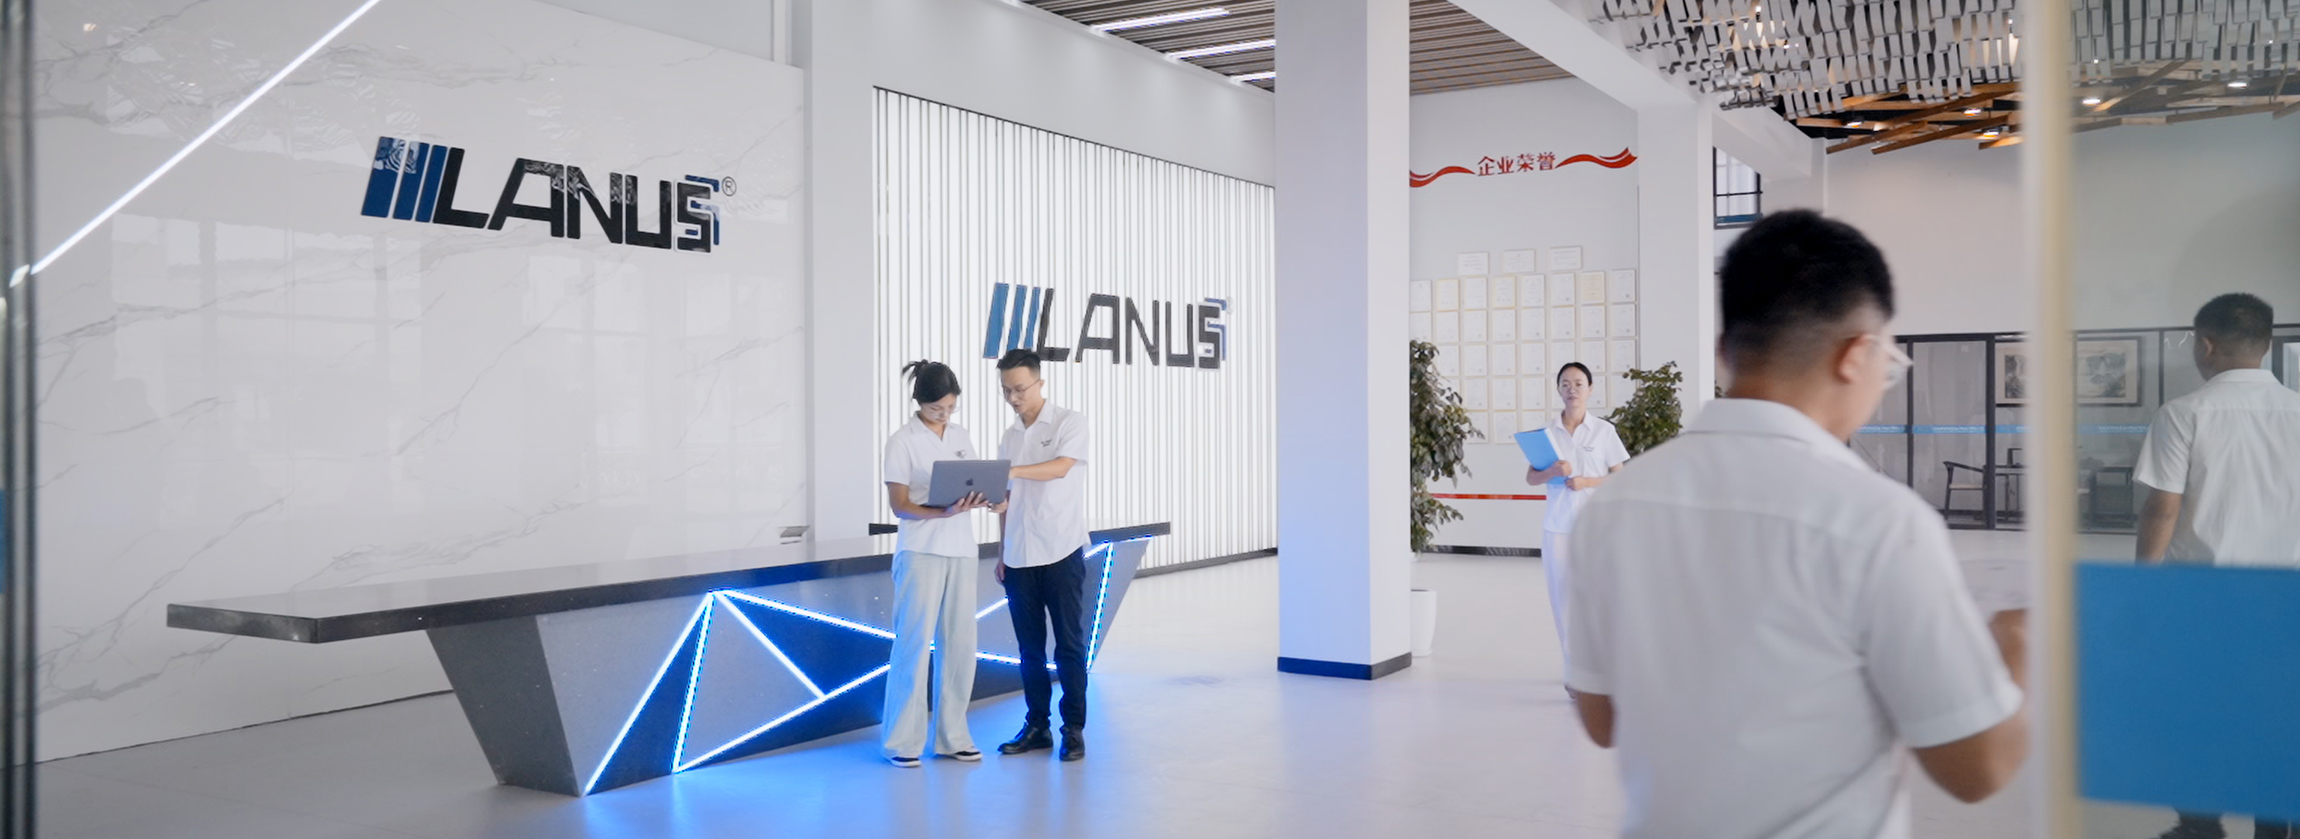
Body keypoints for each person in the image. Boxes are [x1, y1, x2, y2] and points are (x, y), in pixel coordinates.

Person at [1564, 210, 2030, 838]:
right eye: (1888, 362)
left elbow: (1601, 720)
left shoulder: (1615, 507)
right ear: (1856, 356)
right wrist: (2017, 648)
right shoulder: (1880, 522)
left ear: (1724, 351)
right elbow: (1977, 769)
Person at [2133, 292, 2300, 839]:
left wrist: (2142, 584)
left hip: (2202, 596)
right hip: (2285, 594)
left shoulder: (2184, 413)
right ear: (2266, 344)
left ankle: (2200, 825)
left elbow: (2163, 508)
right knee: (2277, 714)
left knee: (2197, 712)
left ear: (2205, 345)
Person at [877, 360, 990, 768]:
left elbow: (974, 481)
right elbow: (900, 505)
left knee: (960, 647)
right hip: (921, 551)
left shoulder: (960, 436)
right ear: (918, 402)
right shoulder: (901, 442)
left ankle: (952, 737)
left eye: (950, 408)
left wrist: (986, 498)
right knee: (913, 645)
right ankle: (902, 742)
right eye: (935, 409)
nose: (944, 415)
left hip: (961, 550)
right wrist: (941, 511)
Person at [991, 348, 1093, 762]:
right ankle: (1037, 727)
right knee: (1029, 650)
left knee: (1068, 646)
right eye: (1006, 391)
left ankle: (1074, 729)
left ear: (1040, 383)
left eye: (1020, 389)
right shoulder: (1009, 436)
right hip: (1018, 556)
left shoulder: (1070, 422)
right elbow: (1006, 497)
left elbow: (1061, 467)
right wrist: (1001, 551)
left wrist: (1012, 472)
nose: (1013, 398)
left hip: (1060, 550)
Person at [1523, 361, 1629, 669]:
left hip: (1596, 526)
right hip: (1558, 527)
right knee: (1563, 599)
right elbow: (1531, 478)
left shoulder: (1604, 431)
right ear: (1558, 389)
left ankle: (1602, 663)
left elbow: (1621, 478)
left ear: (1590, 389)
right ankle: (1574, 668)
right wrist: (1552, 472)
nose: (1572, 390)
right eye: (1566, 384)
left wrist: (1587, 482)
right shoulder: (1547, 434)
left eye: (1578, 384)